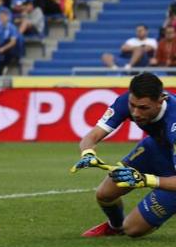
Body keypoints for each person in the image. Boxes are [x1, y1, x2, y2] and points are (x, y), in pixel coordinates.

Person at [71, 73, 176, 237]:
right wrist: (87, 153)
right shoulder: (125, 102)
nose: (135, 113)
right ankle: (115, 226)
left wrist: (144, 180)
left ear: (161, 101)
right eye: (132, 105)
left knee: (133, 229)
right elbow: (91, 137)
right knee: (104, 195)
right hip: (154, 150)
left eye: (143, 108)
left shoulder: (174, 121)